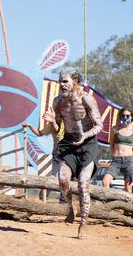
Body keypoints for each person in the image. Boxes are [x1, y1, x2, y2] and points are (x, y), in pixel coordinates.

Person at [42, 67, 102, 240]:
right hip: (68, 142)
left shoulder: (87, 99)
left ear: (75, 81)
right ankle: (71, 207)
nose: (62, 84)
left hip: (88, 143)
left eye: (65, 81)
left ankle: (83, 222)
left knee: (83, 184)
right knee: (62, 180)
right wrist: (52, 122)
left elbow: (99, 126)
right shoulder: (57, 102)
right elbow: (57, 129)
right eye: (60, 81)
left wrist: (85, 135)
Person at [22, 121, 65, 202]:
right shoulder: (52, 124)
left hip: (69, 155)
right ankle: (42, 199)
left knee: (65, 178)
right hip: (57, 154)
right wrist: (30, 125)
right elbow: (39, 133)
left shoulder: (70, 123)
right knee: (50, 177)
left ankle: (64, 201)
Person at [102, 107, 133, 193]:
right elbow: (111, 143)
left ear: (132, 117)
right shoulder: (115, 129)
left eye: (127, 115)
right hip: (116, 161)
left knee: (128, 187)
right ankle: (108, 202)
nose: (125, 117)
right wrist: (114, 155)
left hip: (129, 161)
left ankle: (128, 206)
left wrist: (129, 155)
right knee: (105, 182)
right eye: (123, 115)